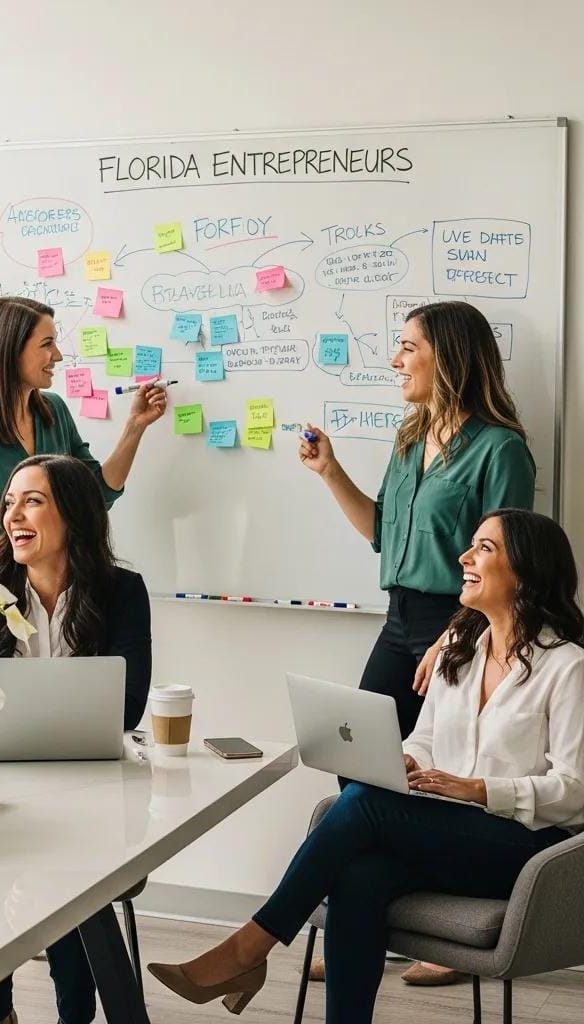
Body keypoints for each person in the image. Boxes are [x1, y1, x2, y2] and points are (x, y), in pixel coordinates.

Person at [148, 509, 584, 1024]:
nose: (464, 558)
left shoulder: (568, 667)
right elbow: (425, 737)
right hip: (454, 837)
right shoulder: (460, 654)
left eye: (484, 549)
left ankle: (249, 949)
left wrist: (481, 790)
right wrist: (407, 758)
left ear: (527, 572)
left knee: (366, 804)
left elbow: (575, 789)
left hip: (528, 851)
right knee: (359, 875)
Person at [299, 300, 536, 985]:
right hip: (398, 619)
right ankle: (364, 922)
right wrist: (329, 472)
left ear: (449, 357)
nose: (396, 360)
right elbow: (382, 532)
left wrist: (458, 634)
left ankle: (447, 935)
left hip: (463, 618)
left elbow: (508, 563)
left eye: (408, 347)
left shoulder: (500, 449)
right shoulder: (409, 440)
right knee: (360, 765)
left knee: (444, 778)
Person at [0, 454, 152, 1024]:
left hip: (84, 791)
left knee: (60, 873)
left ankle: (74, 1014)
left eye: (33, 501)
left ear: (74, 515)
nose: (13, 514)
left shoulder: (121, 592)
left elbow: (129, 702)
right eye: (9, 503)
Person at [0, 296, 167, 592]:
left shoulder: (54, 412)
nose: (57, 355)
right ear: (11, 350)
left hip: (61, 592)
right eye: (47, 344)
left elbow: (96, 495)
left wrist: (135, 426)